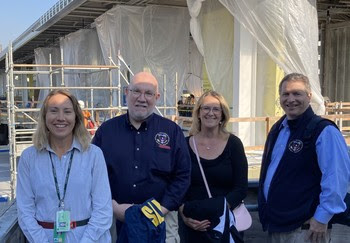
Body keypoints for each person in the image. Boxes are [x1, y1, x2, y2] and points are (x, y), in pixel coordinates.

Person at [92, 71, 191, 242]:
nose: (142, 98)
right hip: (114, 218)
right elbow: (92, 174)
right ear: (126, 93)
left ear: (157, 97)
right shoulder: (106, 131)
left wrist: (161, 209)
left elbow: (183, 175)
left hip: (162, 217)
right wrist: (113, 207)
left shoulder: (171, 131)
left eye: (149, 93)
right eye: (136, 91)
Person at [258, 73, 350, 243]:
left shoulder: (323, 131)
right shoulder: (278, 129)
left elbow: (336, 178)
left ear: (309, 96)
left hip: (307, 229)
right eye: (285, 94)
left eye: (297, 93)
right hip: (277, 226)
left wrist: (322, 218)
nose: (290, 99)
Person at [17, 89, 112, 243]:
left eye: (67, 111)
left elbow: (103, 211)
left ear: (76, 117)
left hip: (89, 239)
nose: (60, 118)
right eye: (53, 111)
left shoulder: (94, 155)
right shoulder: (29, 158)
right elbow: (25, 212)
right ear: (44, 117)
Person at [179, 91, 248, 242]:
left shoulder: (234, 144)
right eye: (206, 108)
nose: (211, 113)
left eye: (216, 109)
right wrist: (184, 214)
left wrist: (216, 211)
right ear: (198, 112)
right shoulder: (184, 145)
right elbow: (178, 184)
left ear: (223, 115)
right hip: (193, 226)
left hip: (225, 225)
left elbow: (241, 188)